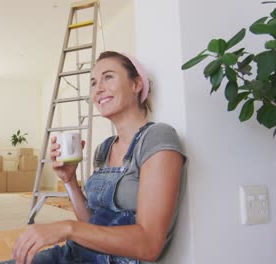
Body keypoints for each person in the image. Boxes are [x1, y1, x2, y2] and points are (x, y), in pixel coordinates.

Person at [12, 51, 187, 264]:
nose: (98, 89)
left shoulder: (156, 137)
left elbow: (149, 244)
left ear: (136, 84)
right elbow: (92, 226)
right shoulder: (104, 149)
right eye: (94, 83)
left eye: (109, 77)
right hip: (74, 255)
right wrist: (69, 181)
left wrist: (68, 228)